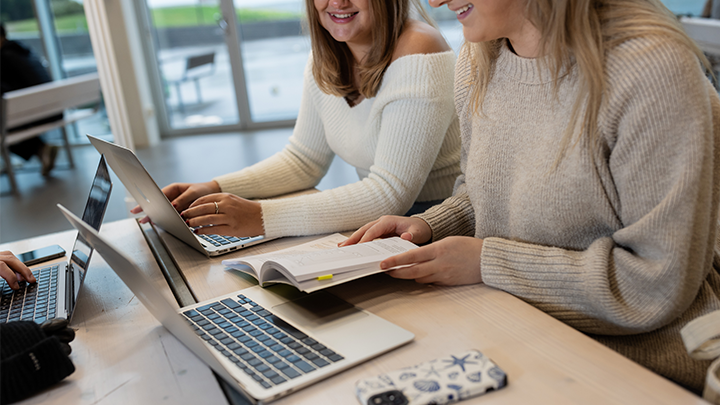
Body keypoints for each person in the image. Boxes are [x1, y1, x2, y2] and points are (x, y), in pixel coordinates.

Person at [342, 0, 720, 393]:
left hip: (641, 362)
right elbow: (487, 191)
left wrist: (488, 262)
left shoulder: (650, 71)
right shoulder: (481, 55)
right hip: (517, 324)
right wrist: (428, 226)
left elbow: (654, 285)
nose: (435, 1)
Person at [133, 0, 461, 239]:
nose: (338, 2)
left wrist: (259, 217)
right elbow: (303, 160)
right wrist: (212, 189)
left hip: (436, 221)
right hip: (381, 219)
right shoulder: (329, 56)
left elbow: (389, 193)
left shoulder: (420, 48)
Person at [0, 23, 60, 177]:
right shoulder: (23, 51)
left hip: (36, 113)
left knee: (2, 125)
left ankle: (40, 150)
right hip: (53, 108)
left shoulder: (4, 58)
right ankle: (40, 150)